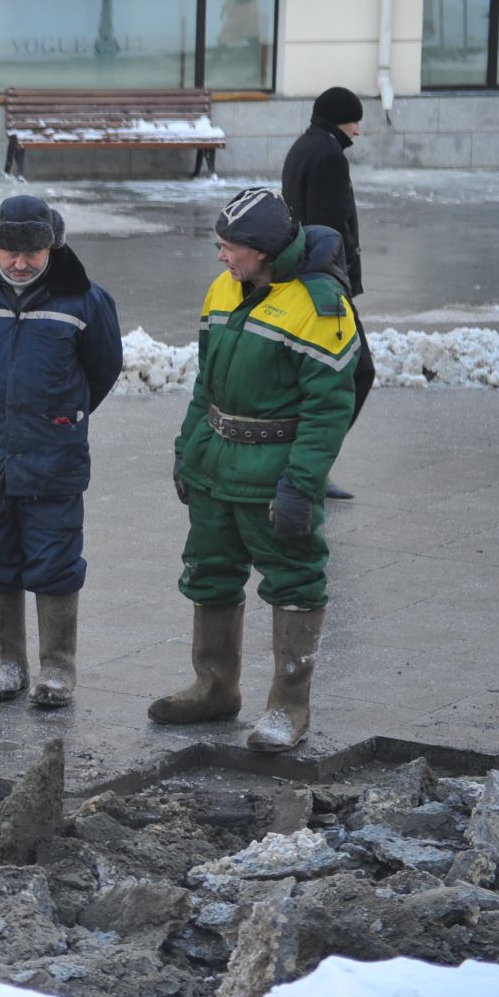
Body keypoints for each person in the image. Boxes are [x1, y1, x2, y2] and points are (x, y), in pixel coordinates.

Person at [151, 188, 361, 754]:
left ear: (263, 250)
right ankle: (214, 687)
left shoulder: (320, 306)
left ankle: (289, 708)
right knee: (210, 572)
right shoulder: (224, 289)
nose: (221, 257)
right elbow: (205, 385)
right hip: (216, 463)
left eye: (229, 247)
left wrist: (301, 483)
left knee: (294, 579)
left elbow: (328, 410)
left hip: (275, 470)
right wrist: (187, 450)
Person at [0, 196, 124, 709]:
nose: (20, 262)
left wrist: (60, 415)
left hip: (53, 456)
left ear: (53, 247)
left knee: (55, 558)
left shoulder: (86, 301)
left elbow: (102, 370)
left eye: (33, 252)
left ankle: (58, 670)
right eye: (9, 251)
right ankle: (8, 664)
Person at [282, 86, 376, 499]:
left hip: (306, 277)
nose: (358, 128)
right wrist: (336, 284)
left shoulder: (305, 146)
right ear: (341, 118)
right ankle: (311, 466)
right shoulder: (328, 157)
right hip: (322, 283)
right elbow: (328, 229)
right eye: (355, 119)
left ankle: (304, 463)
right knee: (358, 370)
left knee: (317, 376)